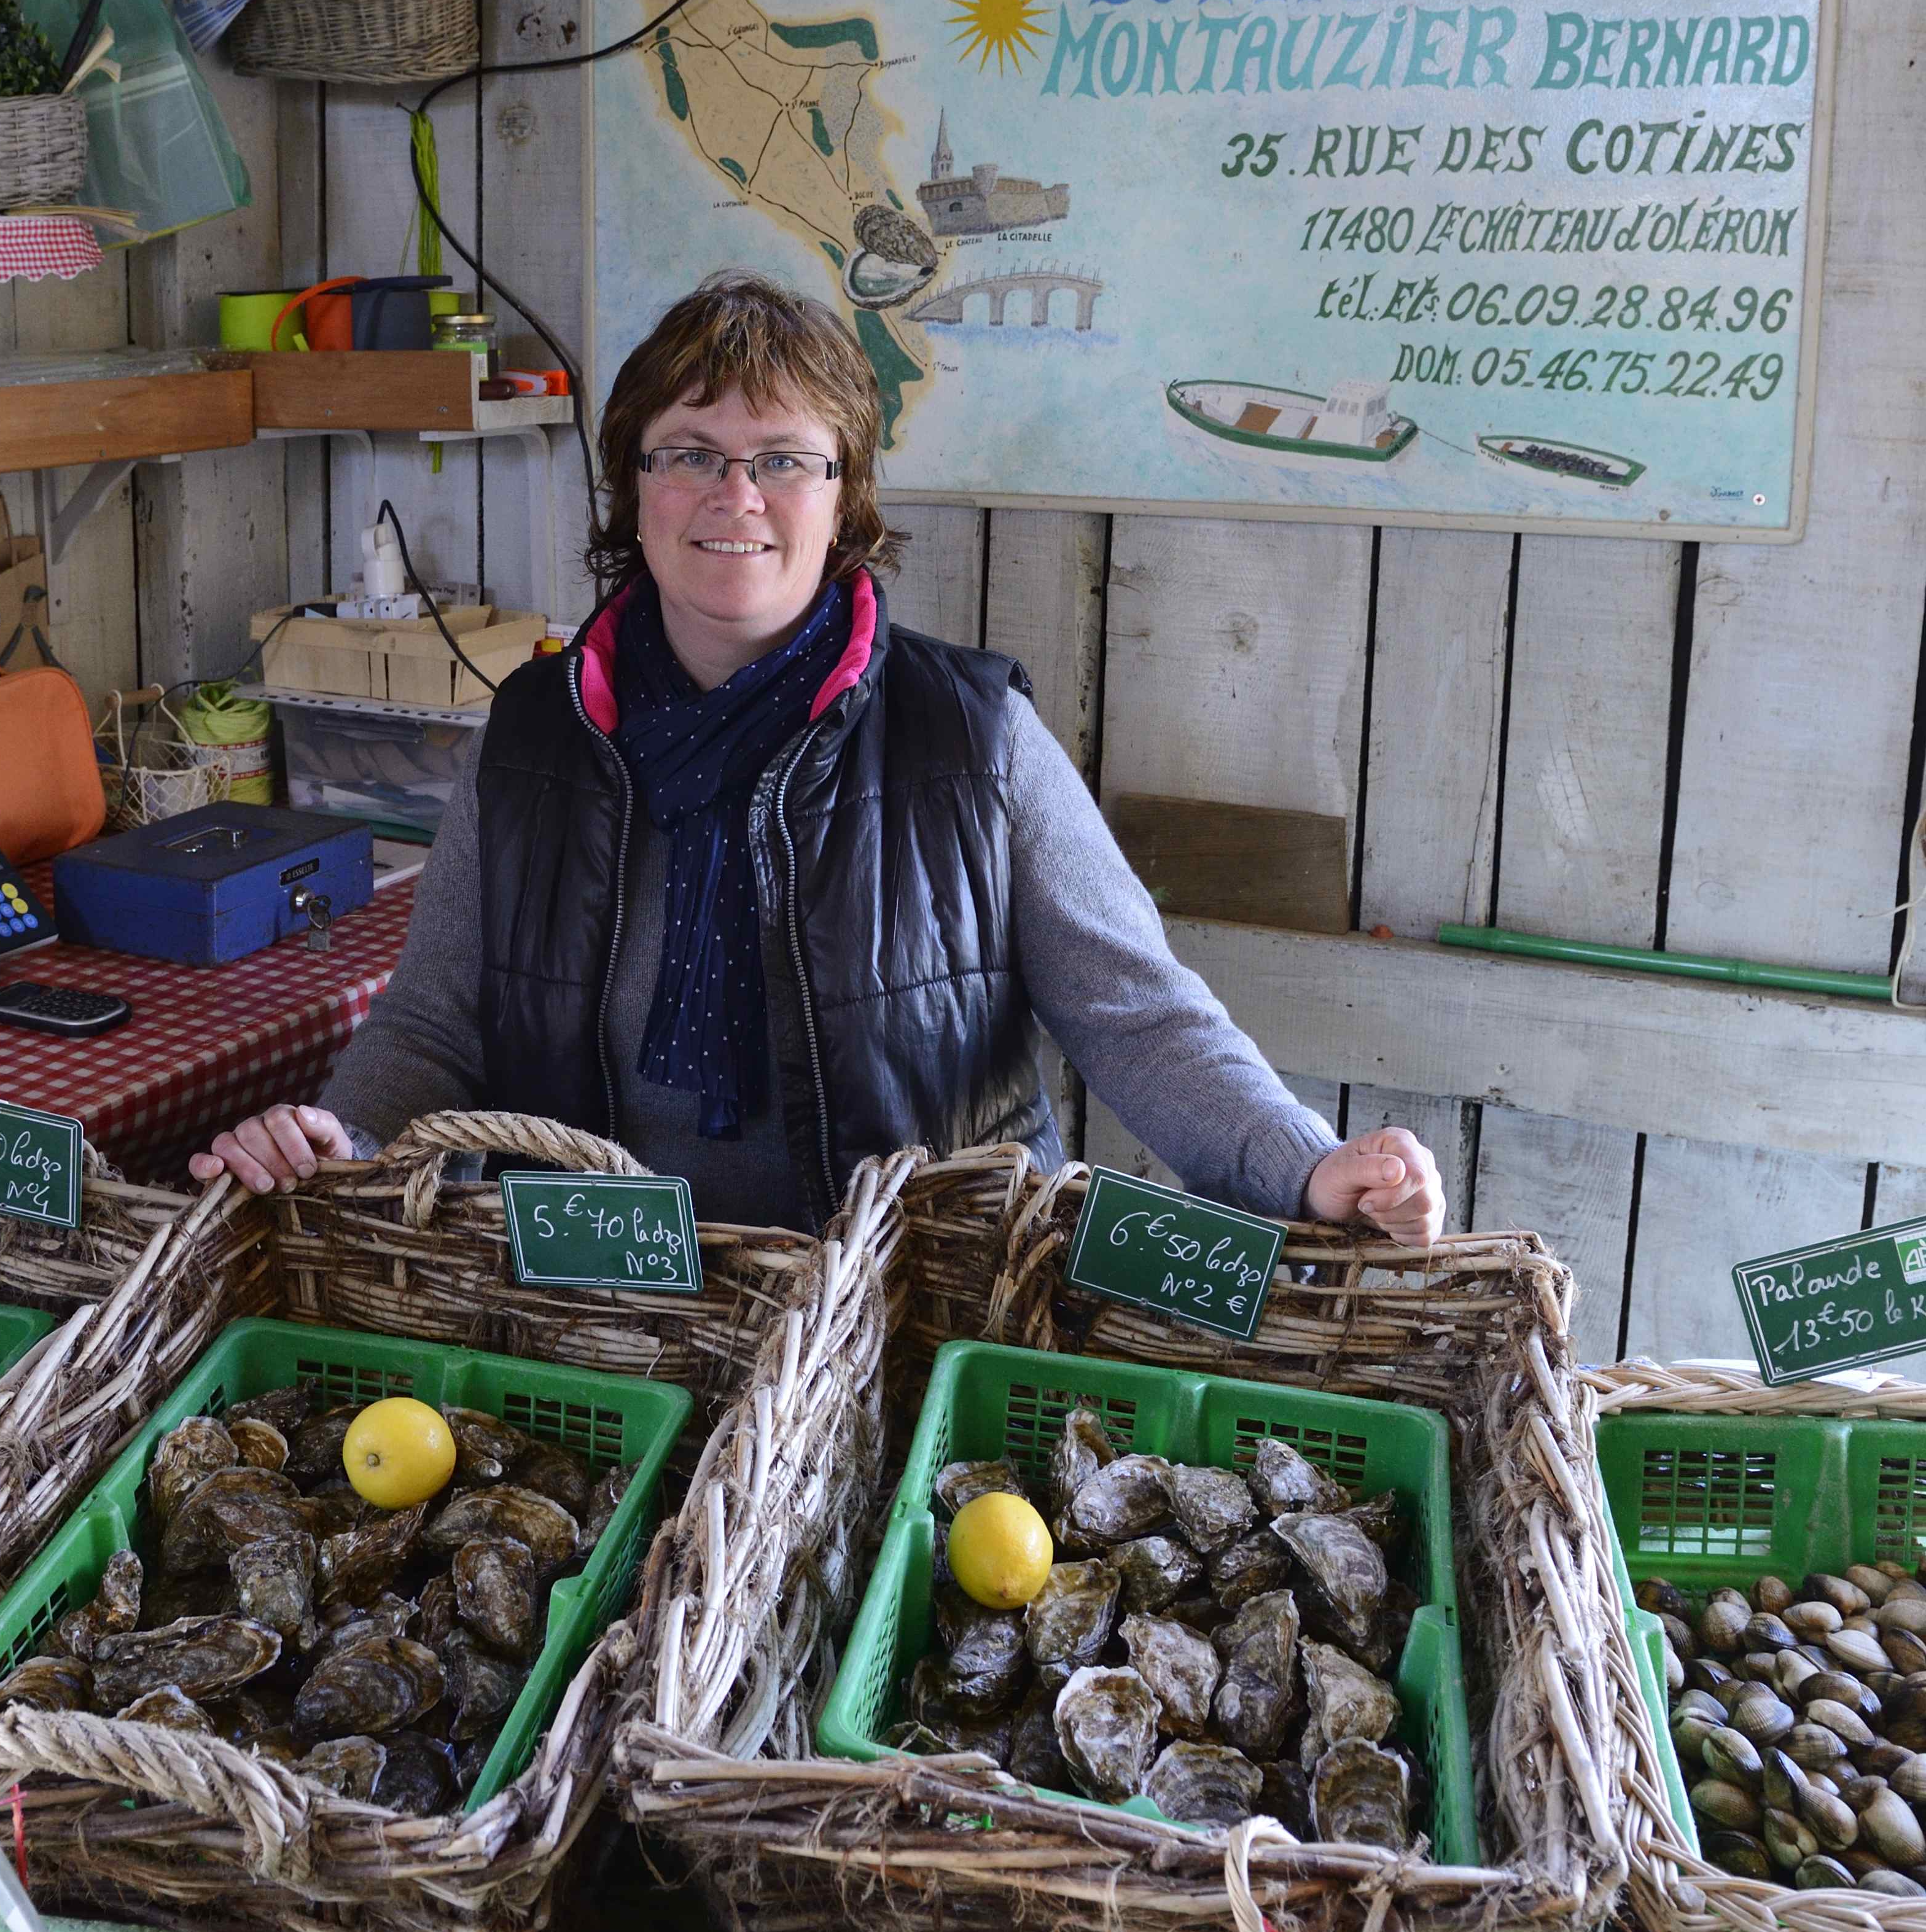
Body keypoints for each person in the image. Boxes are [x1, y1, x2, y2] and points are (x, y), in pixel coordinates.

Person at [189, 275, 1443, 1241]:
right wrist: (343, 1136)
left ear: (843, 495)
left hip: (910, 1298)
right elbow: (435, 1022)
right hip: (604, 1302)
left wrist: (1302, 1163)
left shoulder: (970, 736)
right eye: (690, 452)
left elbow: (1141, 1020)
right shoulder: (531, 735)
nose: (735, 494)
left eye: (784, 458)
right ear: (634, 487)